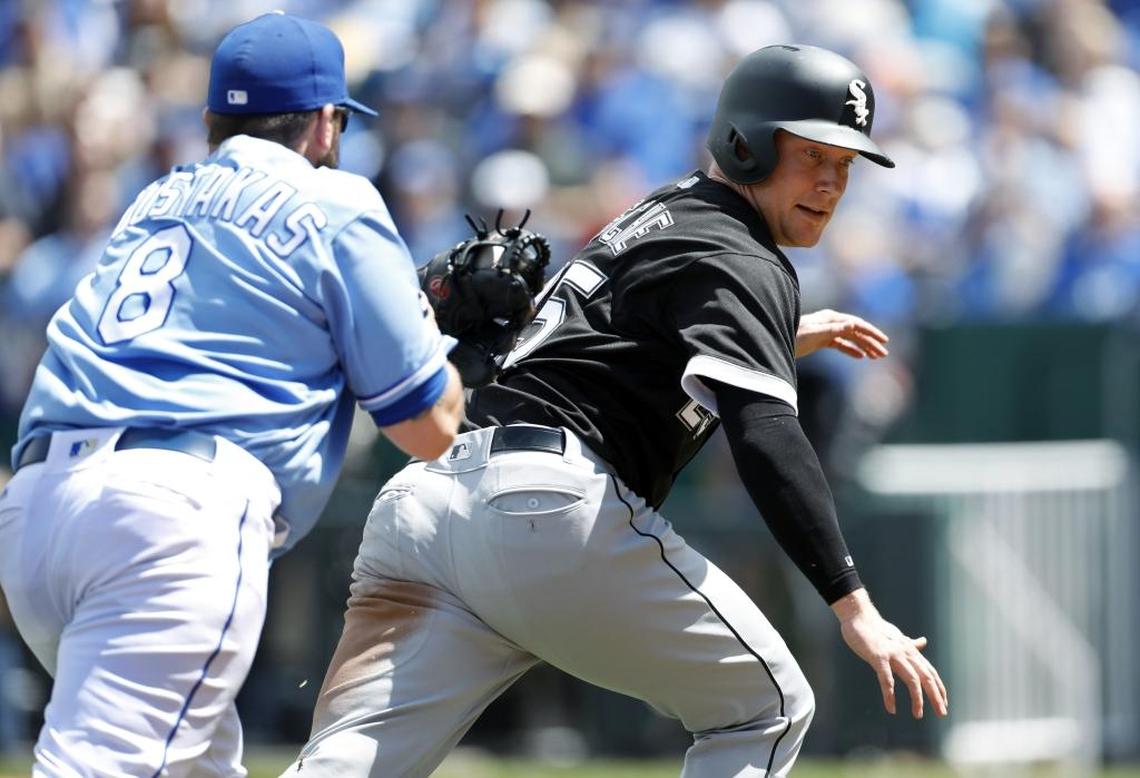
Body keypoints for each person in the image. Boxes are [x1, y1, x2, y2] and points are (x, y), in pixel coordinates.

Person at [287, 44, 948, 777]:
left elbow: (634, 347)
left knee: (346, 766)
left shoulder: (663, 213)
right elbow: (765, 433)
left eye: (846, 165)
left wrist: (779, 337)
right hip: (542, 508)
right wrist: (853, 606)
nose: (830, 183)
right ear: (747, 143)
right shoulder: (744, 254)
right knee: (767, 709)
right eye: (812, 155)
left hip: (426, 505)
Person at [0, 11, 465, 776]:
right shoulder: (337, 200)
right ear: (323, 123)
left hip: (39, 513)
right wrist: (450, 342)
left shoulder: (153, 199)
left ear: (215, 117)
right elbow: (427, 426)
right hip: (169, 521)